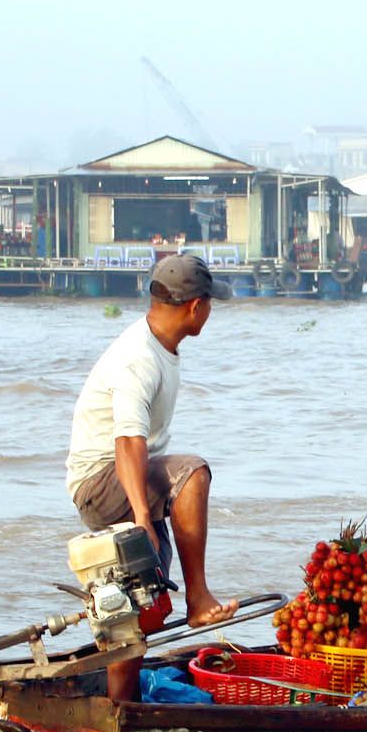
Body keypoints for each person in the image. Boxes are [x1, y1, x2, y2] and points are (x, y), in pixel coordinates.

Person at [66, 255, 238, 702]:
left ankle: (123, 710)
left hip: (126, 480)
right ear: (196, 306)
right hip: (104, 482)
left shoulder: (160, 345)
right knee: (192, 473)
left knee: (134, 610)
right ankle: (198, 597)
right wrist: (143, 517)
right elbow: (127, 443)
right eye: (210, 306)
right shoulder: (138, 358)